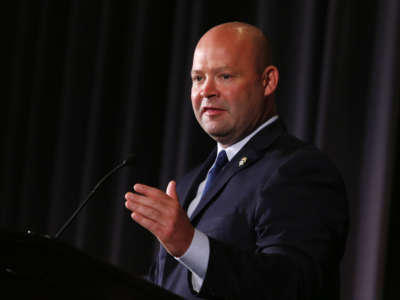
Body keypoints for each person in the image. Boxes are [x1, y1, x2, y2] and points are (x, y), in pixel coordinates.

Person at [125, 22, 348, 300]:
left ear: (268, 81)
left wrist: (189, 243)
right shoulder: (187, 185)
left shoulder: (299, 170)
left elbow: (293, 285)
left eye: (225, 76)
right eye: (197, 78)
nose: (206, 91)